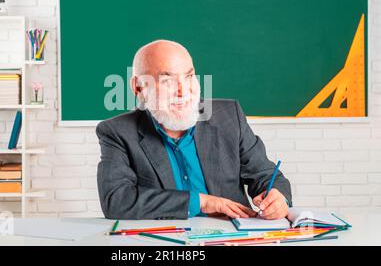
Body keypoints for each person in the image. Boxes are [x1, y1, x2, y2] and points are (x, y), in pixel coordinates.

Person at [96, 39, 292, 220]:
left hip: (234, 237)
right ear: (138, 87)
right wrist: (202, 202)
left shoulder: (229, 116)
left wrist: (277, 197)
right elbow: (117, 201)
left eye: (189, 76)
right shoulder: (117, 132)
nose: (183, 91)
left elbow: (266, 175)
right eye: (167, 81)